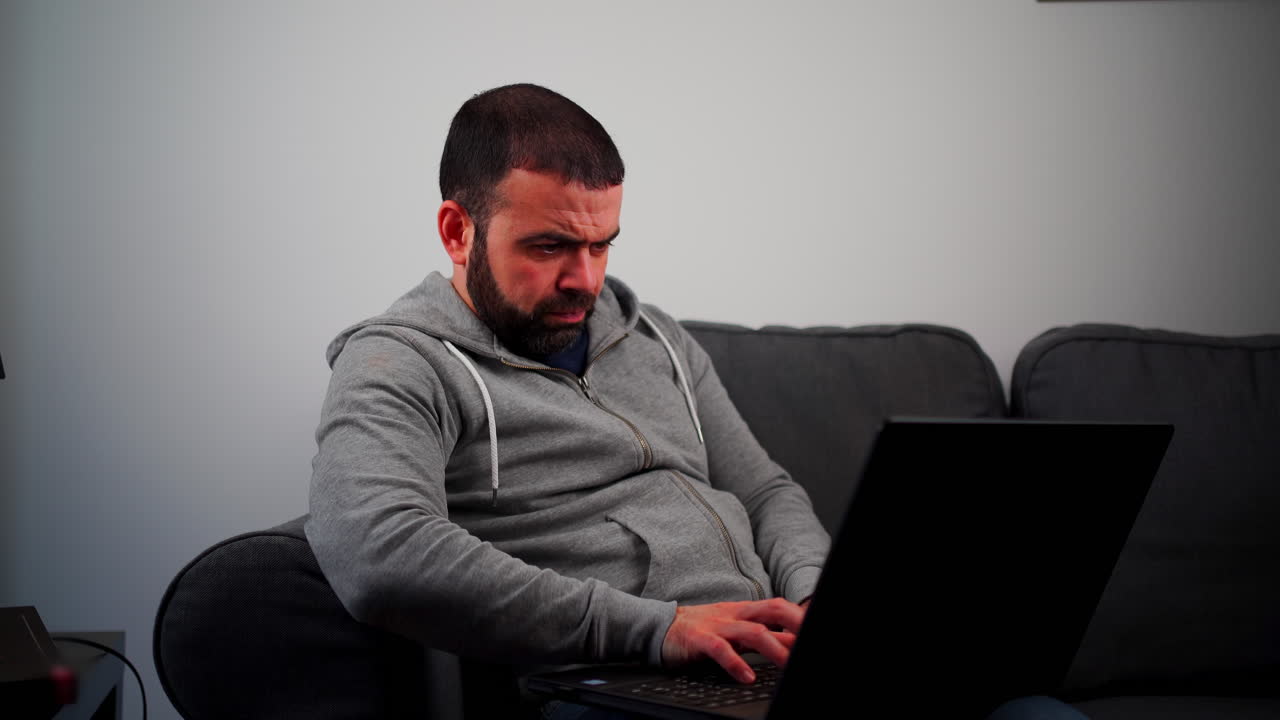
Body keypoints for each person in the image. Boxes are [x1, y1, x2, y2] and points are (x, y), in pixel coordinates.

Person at [306, 83, 1088, 720]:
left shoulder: (657, 339)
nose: (586, 279)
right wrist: (657, 630)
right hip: (617, 683)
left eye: (602, 244)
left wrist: (820, 600)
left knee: (1033, 713)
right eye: (550, 247)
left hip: (763, 669)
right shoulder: (397, 363)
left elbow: (764, 489)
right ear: (458, 231)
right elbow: (379, 553)